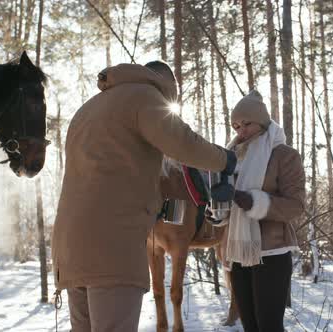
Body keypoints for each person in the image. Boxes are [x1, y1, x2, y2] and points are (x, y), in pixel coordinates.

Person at [51, 61, 236, 332]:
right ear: (168, 85)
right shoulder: (145, 98)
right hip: (112, 247)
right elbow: (183, 142)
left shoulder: (88, 109)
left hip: (69, 247)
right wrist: (226, 161)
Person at [224, 90, 306, 332]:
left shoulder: (284, 155)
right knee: (250, 327)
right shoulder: (230, 158)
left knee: (269, 326)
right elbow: (230, 203)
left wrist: (255, 202)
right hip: (239, 253)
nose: (240, 131)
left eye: (246, 124)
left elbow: (296, 205)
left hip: (272, 253)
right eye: (236, 126)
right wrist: (217, 213)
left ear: (261, 121)